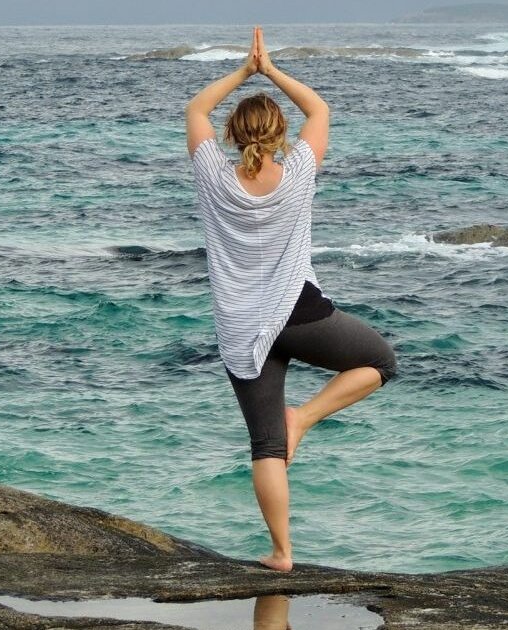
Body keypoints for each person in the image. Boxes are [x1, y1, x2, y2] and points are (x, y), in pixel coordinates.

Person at [185, 26, 397, 572]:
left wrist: (242, 71)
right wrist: (271, 69)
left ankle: (282, 553)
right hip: (299, 312)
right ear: (281, 135)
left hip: (241, 327)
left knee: (266, 446)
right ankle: (303, 418)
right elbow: (319, 110)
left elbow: (196, 109)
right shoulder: (299, 171)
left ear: (232, 135)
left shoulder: (212, 175)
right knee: (380, 362)